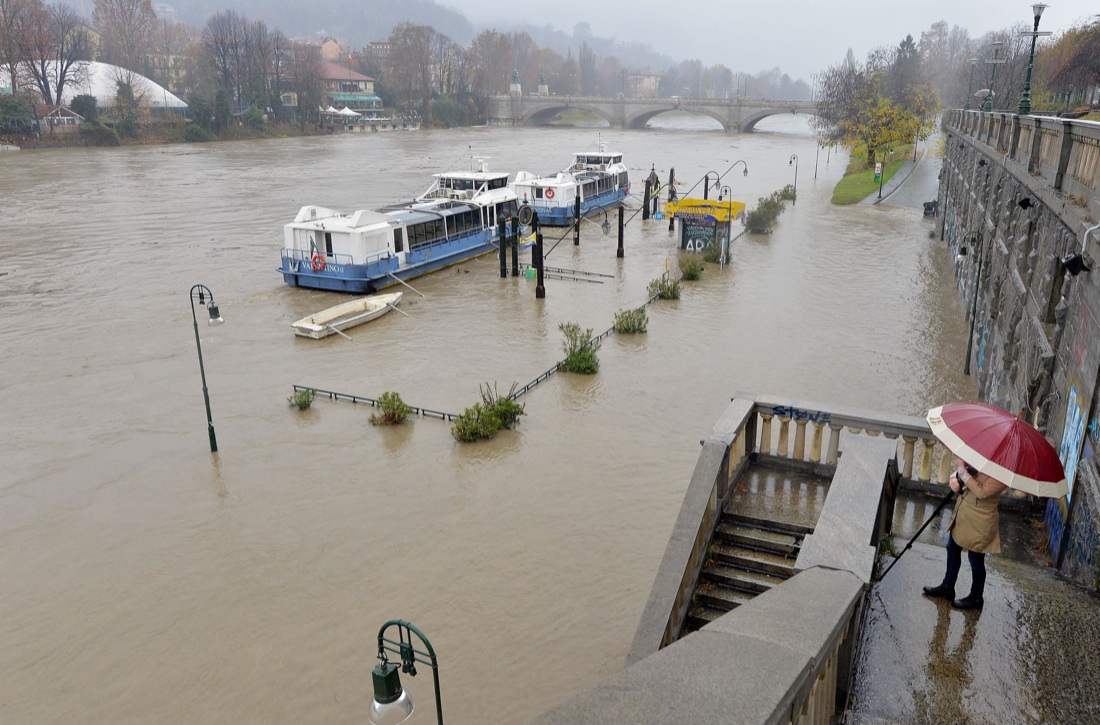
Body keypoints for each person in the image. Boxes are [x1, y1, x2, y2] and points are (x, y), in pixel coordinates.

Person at [922, 457, 1008, 609]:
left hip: (980, 521)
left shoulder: (1005, 471)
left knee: (975, 558)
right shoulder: (982, 456)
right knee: (952, 548)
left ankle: (976, 597)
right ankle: (947, 587)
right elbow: (966, 477)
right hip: (963, 512)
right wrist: (956, 476)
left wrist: (962, 471)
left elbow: (982, 492)